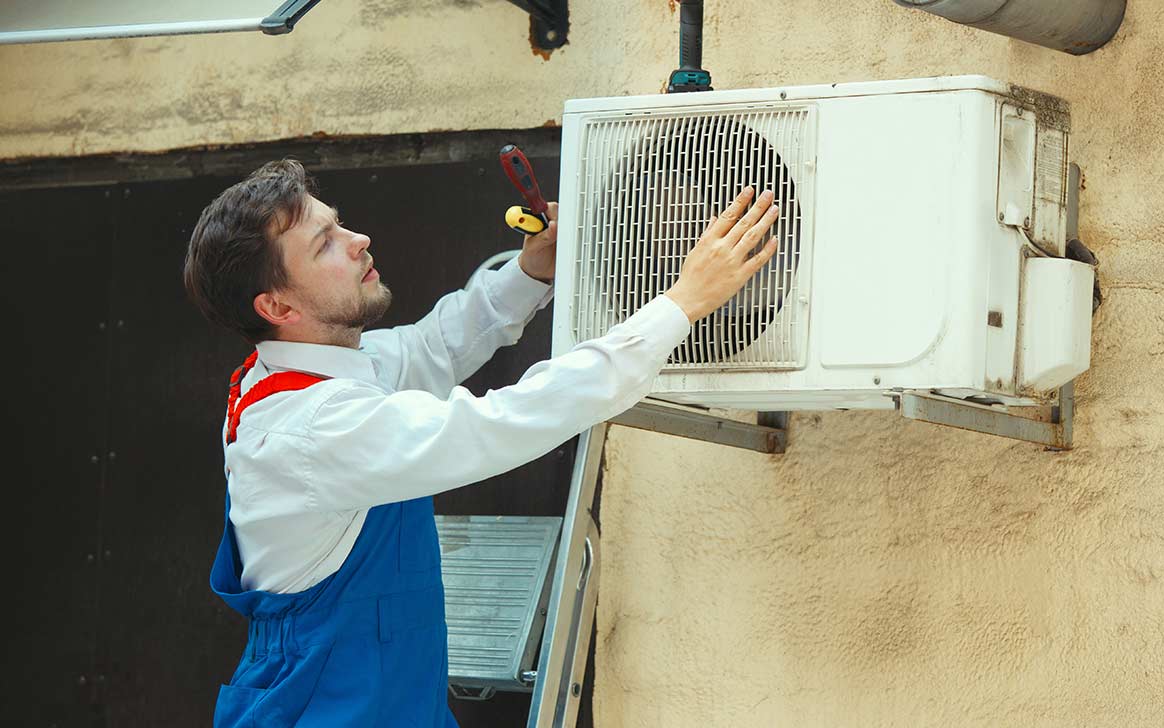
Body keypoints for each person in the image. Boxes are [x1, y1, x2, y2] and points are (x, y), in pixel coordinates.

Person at [183, 159, 779, 726]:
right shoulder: (313, 427)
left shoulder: (313, 373)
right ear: (277, 305)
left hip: (383, 703)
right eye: (325, 243)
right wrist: (681, 305)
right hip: (327, 711)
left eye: (338, 222)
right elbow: (501, 423)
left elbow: (428, 349)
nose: (358, 238)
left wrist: (531, 273)